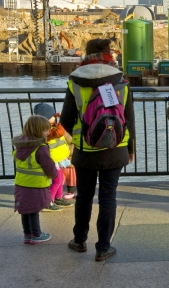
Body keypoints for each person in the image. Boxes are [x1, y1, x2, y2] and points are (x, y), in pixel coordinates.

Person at [60, 38, 136, 262]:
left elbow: (65, 120)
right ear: (108, 54)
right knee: (108, 197)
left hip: (85, 150)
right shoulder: (121, 80)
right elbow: (129, 119)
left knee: (84, 196)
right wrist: (130, 150)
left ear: (87, 53)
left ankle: (79, 240)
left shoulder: (75, 80)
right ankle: (103, 247)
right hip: (116, 148)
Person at [12, 115, 58, 245]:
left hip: (21, 184)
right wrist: (54, 175)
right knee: (34, 210)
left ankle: (27, 234)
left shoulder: (20, 147)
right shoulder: (40, 148)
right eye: (46, 130)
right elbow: (48, 165)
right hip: (36, 185)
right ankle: (37, 234)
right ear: (38, 131)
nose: (48, 132)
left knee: (25, 210)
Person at [33, 103, 74, 211]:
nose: (55, 117)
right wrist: (62, 119)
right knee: (57, 180)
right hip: (53, 160)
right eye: (53, 116)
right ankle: (48, 202)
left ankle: (58, 198)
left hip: (58, 159)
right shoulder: (46, 131)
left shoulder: (52, 127)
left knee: (60, 180)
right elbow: (60, 132)